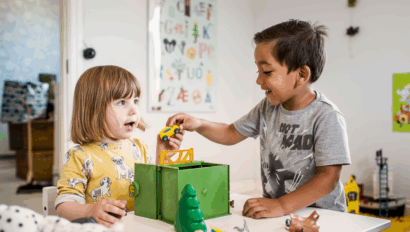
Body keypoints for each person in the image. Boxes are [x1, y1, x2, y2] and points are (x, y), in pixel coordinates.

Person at [166, 19, 351, 219]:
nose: (258, 80)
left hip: (324, 218)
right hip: (281, 215)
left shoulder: (326, 116)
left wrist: (281, 205)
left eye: (267, 72)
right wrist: (199, 124)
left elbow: (328, 177)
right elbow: (230, 133)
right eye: (258, 71)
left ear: (301, 74)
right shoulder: (267, 108)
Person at [55, 65, 184, 227]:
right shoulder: (79, 156)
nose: (133, 110)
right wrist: (90, 211)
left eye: (135, 101)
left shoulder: (140, 149)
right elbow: (64, 207)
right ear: (94, 109)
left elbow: (154, 194)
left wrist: (161, 158)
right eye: (122, 102)